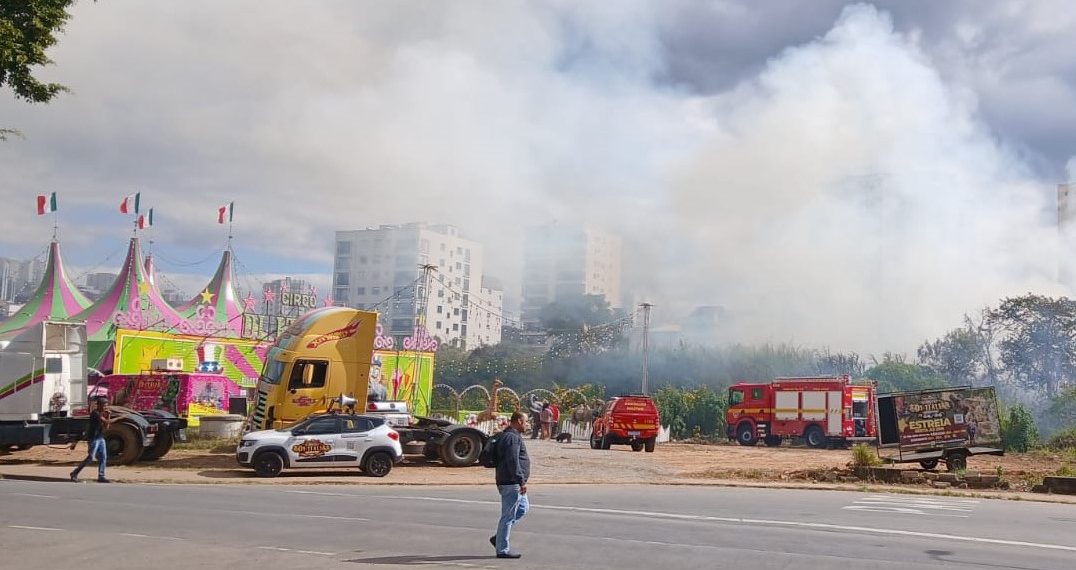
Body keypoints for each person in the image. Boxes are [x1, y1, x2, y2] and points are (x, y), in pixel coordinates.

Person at [490, 411, 530, 559]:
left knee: (523, 508)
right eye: (526, 421)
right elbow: (512, 461)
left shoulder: (510, 435)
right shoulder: (512, 437)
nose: (527, 424)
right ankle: (502, 549)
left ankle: (499, 537)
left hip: (511, 481)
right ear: (519, 421)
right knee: (508, 516)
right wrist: (521, 480)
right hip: (511, 482)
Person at [70, 397, 111, 483]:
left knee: (103, 457)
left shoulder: (102, 414)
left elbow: (106, 427)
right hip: (94, 438)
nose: (105, 407)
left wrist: (108, 416)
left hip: (100, 438)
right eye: (104, 405)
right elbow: (106, 422)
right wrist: (109, 416)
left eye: (106, 406)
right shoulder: (95, 413)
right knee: (90, 458)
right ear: (99, 405)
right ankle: (74, 473)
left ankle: (101, 476)